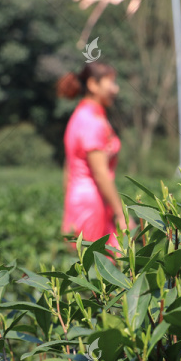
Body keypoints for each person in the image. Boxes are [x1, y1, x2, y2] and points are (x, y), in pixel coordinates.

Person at [58, 61, 132, 250]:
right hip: (92, 202)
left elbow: (68, 168)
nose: (116, 89)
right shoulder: (92, 122)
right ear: (93, 84)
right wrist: (121, 213)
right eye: (111, 82)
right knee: (100, 267)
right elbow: (100, 173)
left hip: (78, 199)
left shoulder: (80, 116)